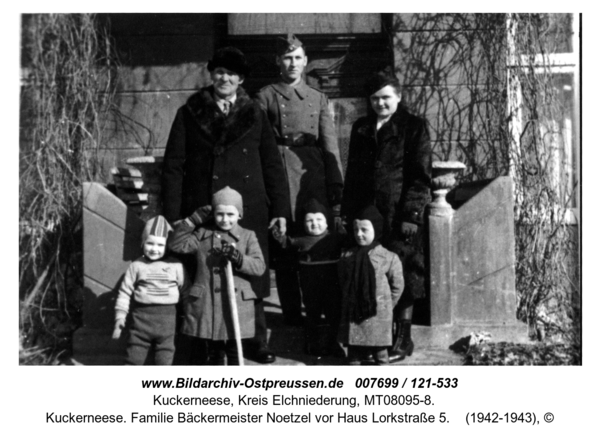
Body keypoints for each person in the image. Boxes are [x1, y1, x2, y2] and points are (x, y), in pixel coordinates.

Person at [161, 47, 289, 364]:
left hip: (247, 208)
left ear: (240, 79)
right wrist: (174, 215)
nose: (225, 78)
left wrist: (281, 210)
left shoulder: (255, 113)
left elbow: (272, 163)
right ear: (211, 74)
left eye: (232, 74)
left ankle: (254, 339)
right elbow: (174, 164)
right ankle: (204, 340)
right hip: (204, 206)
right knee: (204, 272)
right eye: (219, 72)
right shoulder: (189, 112)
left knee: (249, 273)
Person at [341, 71, 432, 362]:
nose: (381, 103)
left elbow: (421, 176)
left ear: (399, 97)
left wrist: (412, 215)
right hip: (368, 216)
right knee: (371, 272)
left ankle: (403, 337)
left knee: (403, 271)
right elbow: (353, 174)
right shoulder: (361, 128)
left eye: (386, 98)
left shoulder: (414, 127)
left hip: (399, 215)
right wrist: (348, 214)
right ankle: (374, 336)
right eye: (375, 98)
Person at [255, 34, 344, 327]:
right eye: (287, 57)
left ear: (306, 62)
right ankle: (291, 310)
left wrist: (335, 184)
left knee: (316, 239)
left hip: (312, 173)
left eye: (297, 58)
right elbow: (259, 143)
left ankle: (318, 309)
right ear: (278, 61)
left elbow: (330, 145)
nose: (292, 63)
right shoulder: (266, 96)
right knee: (283, 242)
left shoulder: (318, 98)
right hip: (279, 171)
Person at [168, 187, 266, 365]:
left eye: (230, 214)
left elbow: (259, 267)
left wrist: (238, 258)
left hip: (235, 304)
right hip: (208, 304)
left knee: (235, 351)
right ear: (213, 214)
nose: (225, 219)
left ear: (240, 215)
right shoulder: (202, 234)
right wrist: (191, 221)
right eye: (220, 214)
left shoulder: (247, 236)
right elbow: (177, 245)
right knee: (214, 354)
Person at [271, 198, 345, 358]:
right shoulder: (301, 240)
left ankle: (333, 343)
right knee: (313, 316)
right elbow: (286, 243)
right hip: (311, 288)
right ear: (303, 224)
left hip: (332, 288)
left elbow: (349, 240)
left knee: (334, 315)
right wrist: (278, 235)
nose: (315, 224)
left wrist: (344, 230)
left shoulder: (335, 238)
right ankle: (313, 343)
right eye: (309, 220)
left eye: (319, 219)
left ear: (327, 223)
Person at [112, 215, 187, 365]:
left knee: (165, 359)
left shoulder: (176, 266)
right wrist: (119, 318)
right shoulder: (137, 266)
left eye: (160, 245)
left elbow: (186, 292)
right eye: (150, 243)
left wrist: (188, 317)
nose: (154, 249)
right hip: (141, 322)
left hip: (167, 322)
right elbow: (125, 293)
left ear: (168, 246)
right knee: (133, 358)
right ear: (142, 243)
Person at [338, 206, 404, 365]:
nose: (359, 234)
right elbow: (342, 280)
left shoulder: (388, 257)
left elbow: (397, 286)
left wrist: (386, 305)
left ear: (376, 230)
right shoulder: (347, 256)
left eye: (364, 230)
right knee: (353, 355)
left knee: (380, 355)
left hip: (377, 314)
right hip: (354, 313)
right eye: (356, 230)